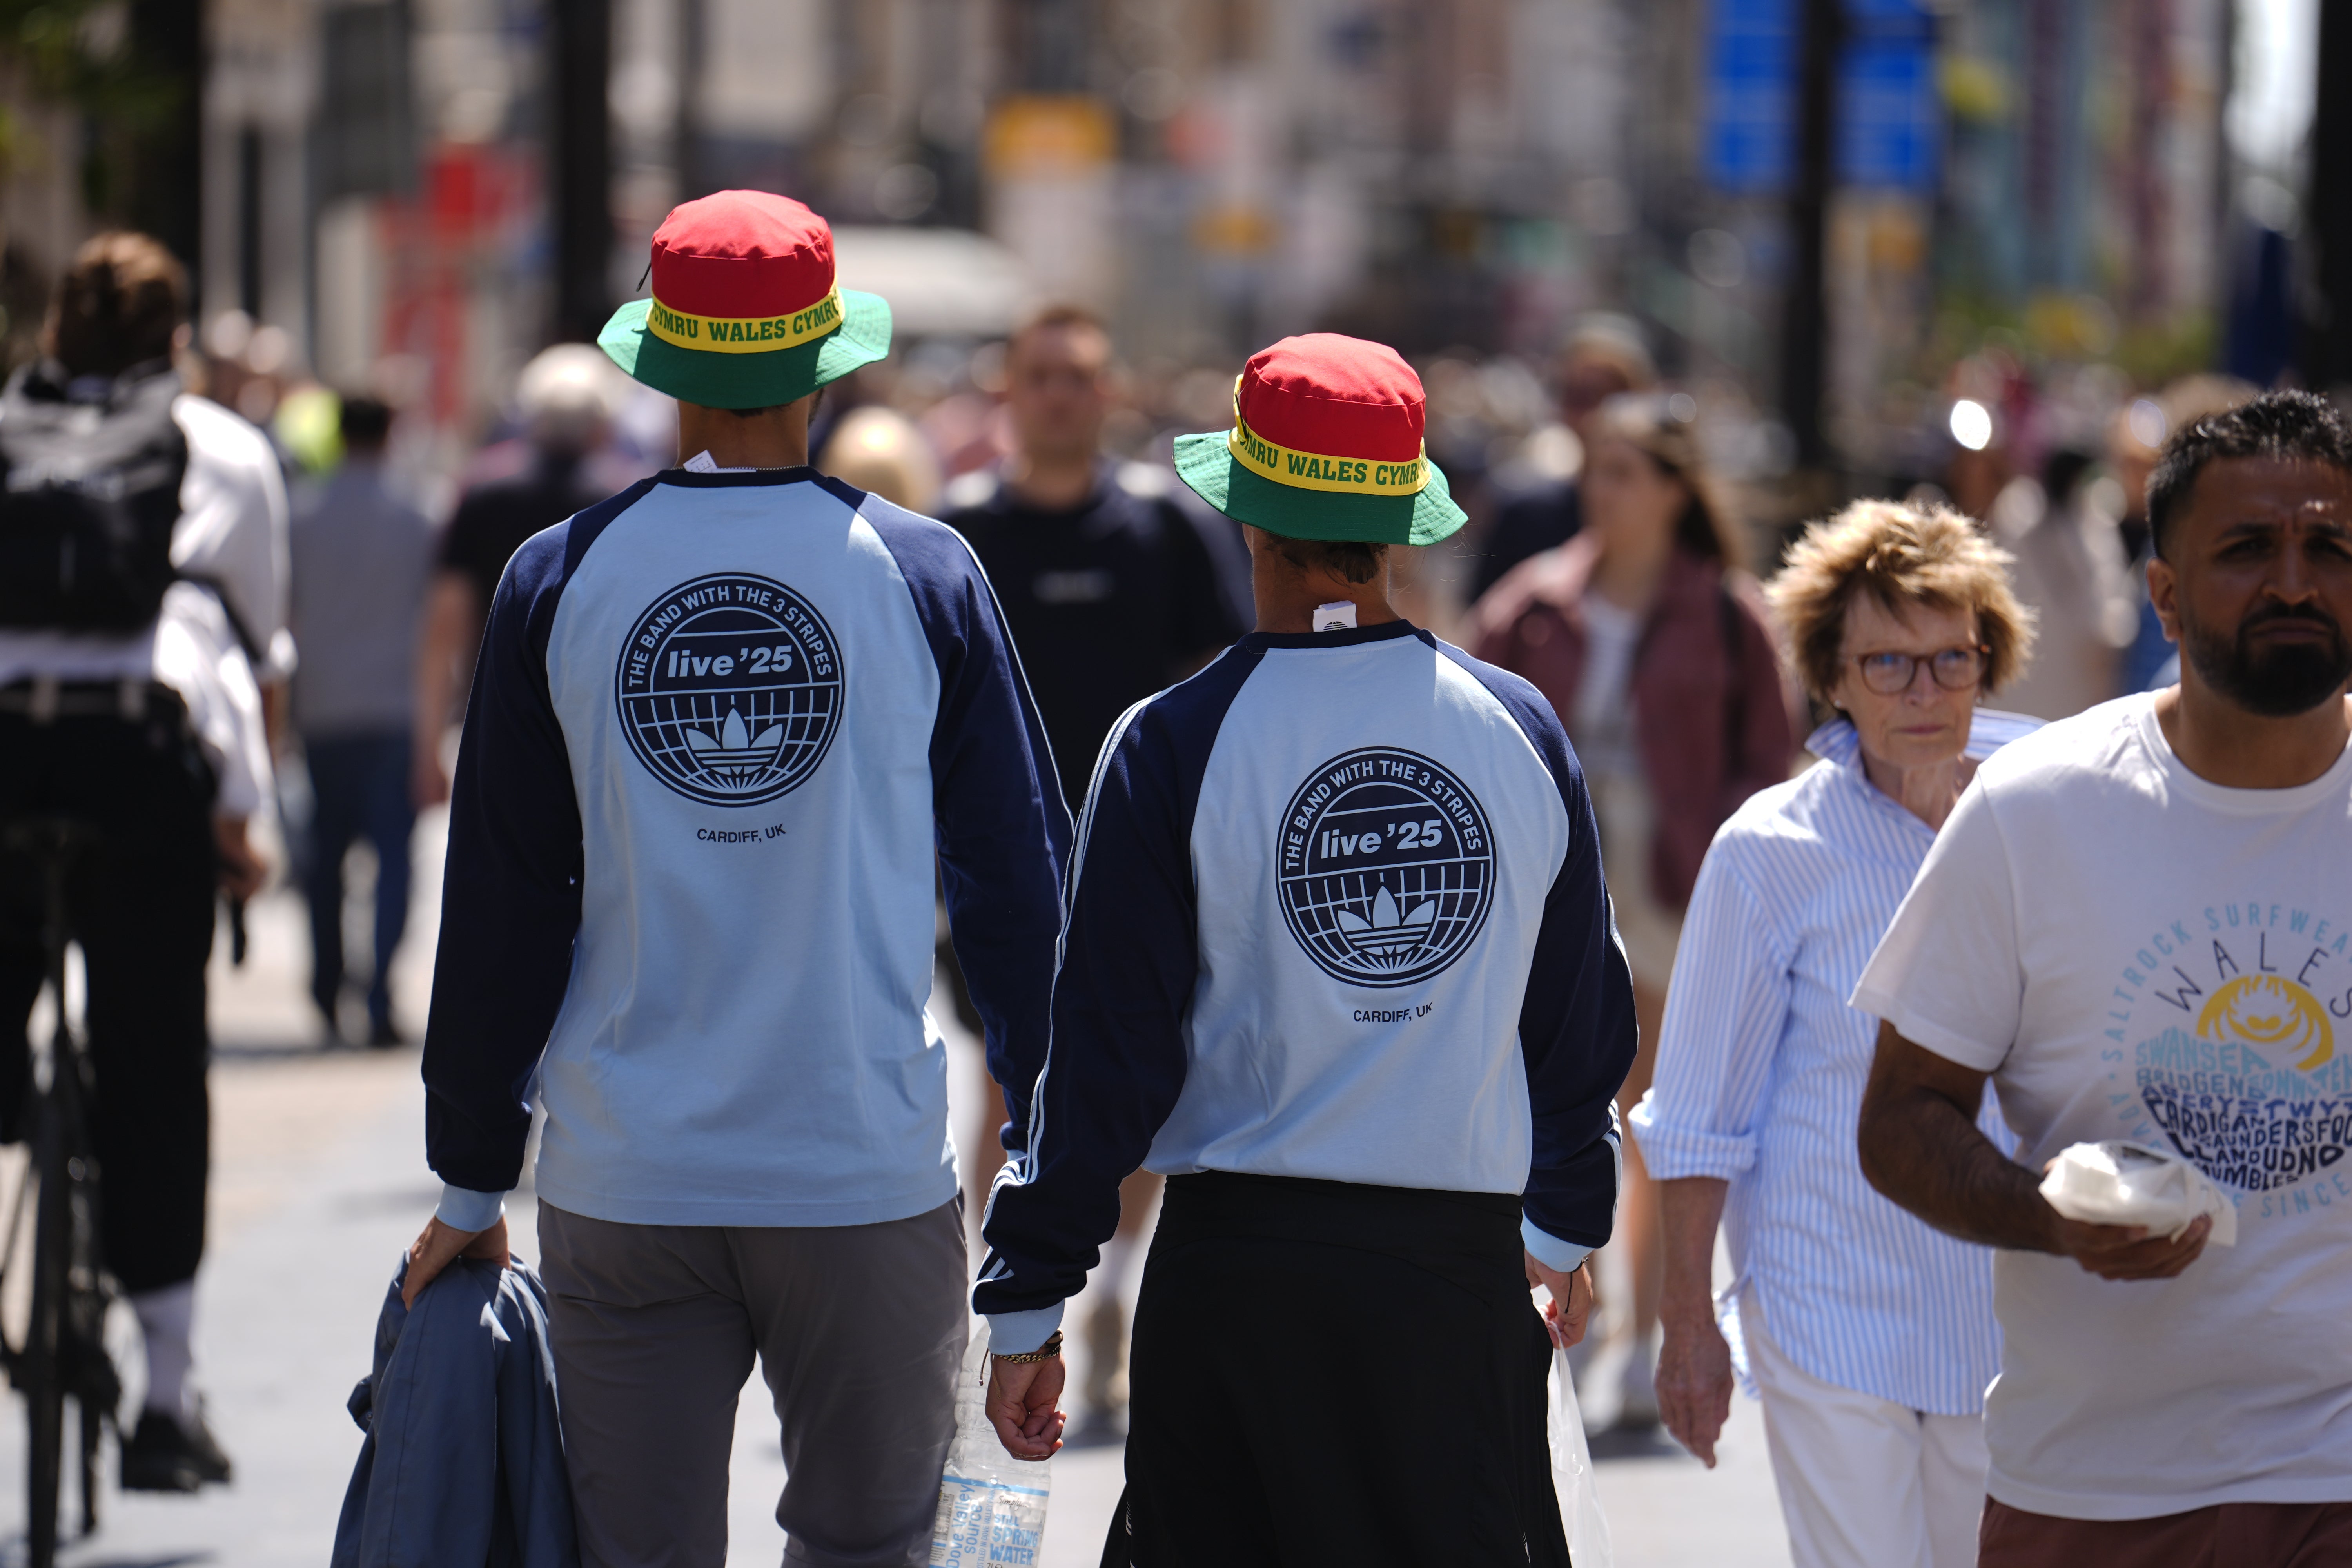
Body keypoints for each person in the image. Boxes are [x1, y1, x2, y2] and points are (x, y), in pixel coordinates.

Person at [400, 189, 1069, 1568]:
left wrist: (471, 1184)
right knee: (877, 1545)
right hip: (861, 1171)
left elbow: (503, 908)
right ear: (828, 367)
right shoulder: (925, 573)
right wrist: (1047, 1203)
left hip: (628, 1172)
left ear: (664, 365)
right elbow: (1020, 895)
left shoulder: (559, 577)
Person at [976, 333, 1637, 1563]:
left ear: (1247, 521)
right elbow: (1578, 1026)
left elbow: (1104, 1054)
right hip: (1454, 1277)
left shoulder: (1170, 740)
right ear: (1398, 526)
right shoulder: (1516, 728)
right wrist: (1564, 1224)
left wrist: (1029, 1289)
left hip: (1239, 1277)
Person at [1853, 390, 2352, 1565]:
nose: (2294, 581)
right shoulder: (2038, 810)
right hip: (2093, 1488)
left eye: (2328, 546)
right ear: (2164, 596)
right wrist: (2045, 1219)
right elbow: (1898, 1118)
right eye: (2244, 549)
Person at [1637, 500, 2038, 1568]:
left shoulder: (2045, 819)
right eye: (1888, 664)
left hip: (2014, 1315)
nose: (1923, 692)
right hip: (1830, 1303)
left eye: (1949, 660)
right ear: (1833, 677)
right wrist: (1689, 1326)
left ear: (1988, 658)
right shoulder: (1771, 851)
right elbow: (1698, 1118)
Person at [940, 303, 1249, 1439]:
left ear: (1107, 393)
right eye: (1042, 376)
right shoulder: (960, 535)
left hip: (1146, 860)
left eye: (1080, 376)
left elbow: (1226, 683)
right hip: (997, 862)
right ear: (1008, 392)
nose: (1062, 394)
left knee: (1138, 1085)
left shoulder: (1166, 528)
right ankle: (1003, 1300)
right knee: (1009, 1083)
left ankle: (1109, 1292)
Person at [0, 232, 273, 1490]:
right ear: (176, 340)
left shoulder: (10, 422)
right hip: (147, 760)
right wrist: (241, 826)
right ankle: (166, 1401)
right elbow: (248, 647)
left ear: (54, 330)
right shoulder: (220, 445)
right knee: (155, 1067)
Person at [1470, 391, 1795, 1428]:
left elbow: (1768, 761)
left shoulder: (1730, 614)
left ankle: (1640, 1335)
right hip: (1550, 873)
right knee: (1536, 1103)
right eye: (1592, 469)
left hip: (1672, 887)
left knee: (1650, 1117)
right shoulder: (1532, 603)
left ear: (1672, 488)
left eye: (1622, 470)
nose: (1598, 489)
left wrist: (1731, 870)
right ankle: (1549, 1313)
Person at [411, 343, 626, 808]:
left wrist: (429, 743)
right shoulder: (626, 498)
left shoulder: (483, 492)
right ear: (603, 425)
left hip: (503, 716)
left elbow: (445, 623)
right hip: (605, 729)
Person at [289, 395, 435, 1045]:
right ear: (391, 432)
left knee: (325, 859)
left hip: (322, 707)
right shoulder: (419, 514)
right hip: (395, 706)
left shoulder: (300, 516)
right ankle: (379, 994)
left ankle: (325, 987)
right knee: (394, 863)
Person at [1468, 314, 1656, 602]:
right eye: (1572, 395)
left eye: (1601, 395)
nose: (1588, 414)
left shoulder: (1675, 519)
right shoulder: (1523, 517)